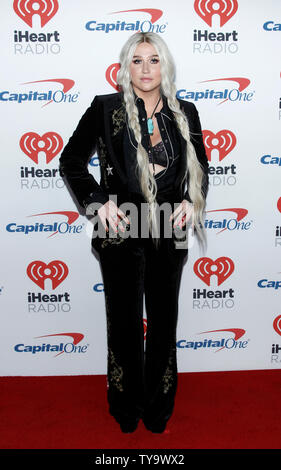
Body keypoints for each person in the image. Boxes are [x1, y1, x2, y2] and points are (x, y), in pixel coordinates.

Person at [59, 31, 209, 434]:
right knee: (124, 324)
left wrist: (189, 201)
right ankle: (125, 410)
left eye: (154, 59)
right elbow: (71, 161)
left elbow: (202, 171)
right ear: (126, 66)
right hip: (122, 223)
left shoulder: (185, 111)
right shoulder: (104, 109)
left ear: (166, 65)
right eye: (138, 60)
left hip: (167, 226)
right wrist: (97, 203)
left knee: (163, 322)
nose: (146, 68)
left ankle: (159, 410)